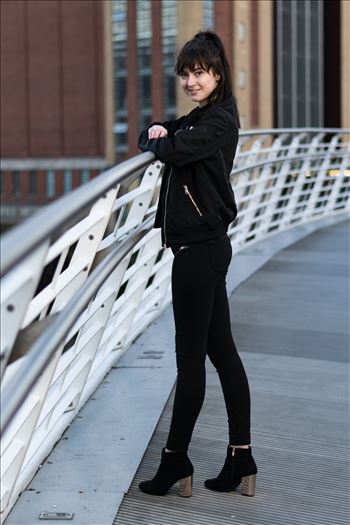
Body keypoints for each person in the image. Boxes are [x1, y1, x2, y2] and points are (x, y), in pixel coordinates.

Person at [137, 30, 257, 498]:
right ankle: (240, 456)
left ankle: (174, 462)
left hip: (198, 253)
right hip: (205, 248)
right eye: (185, 73)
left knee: (191, 363)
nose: (190, 80)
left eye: (199, 72)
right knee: (222, 352)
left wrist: (159, 140)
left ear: (218, 73)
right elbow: (168, 129)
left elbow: (176, 148)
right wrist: (159, 128)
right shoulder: (205, 115)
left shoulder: (219, 123)